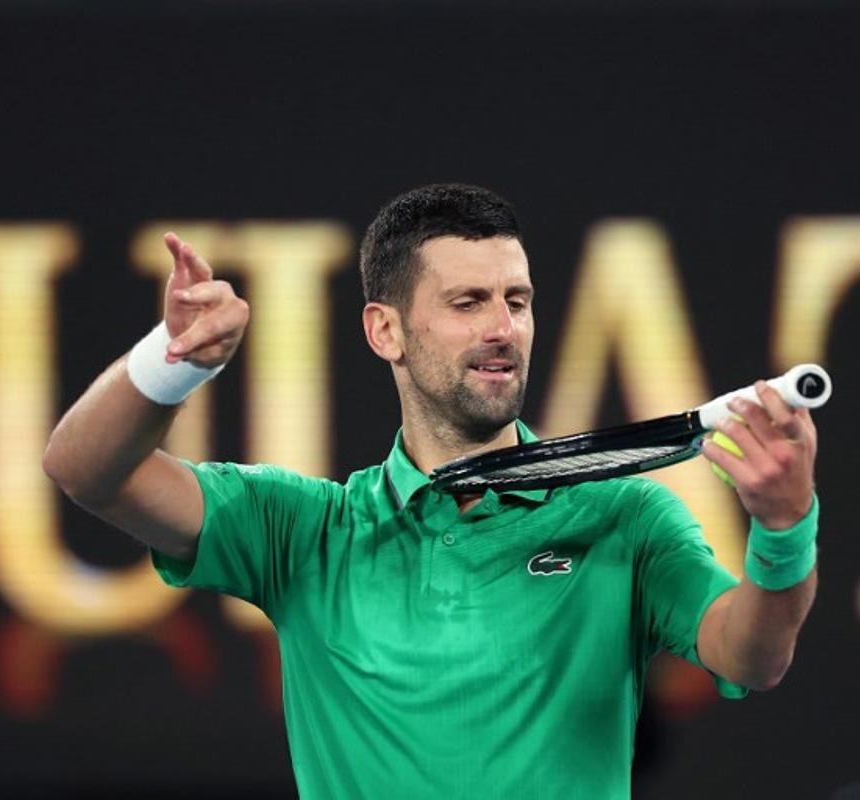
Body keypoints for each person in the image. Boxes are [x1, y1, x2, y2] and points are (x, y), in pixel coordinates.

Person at [42, 184, 819, 799]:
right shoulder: (304, 533)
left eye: (517, 301)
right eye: (467, 303)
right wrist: (177, 361)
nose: (504, 327)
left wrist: (784, 530)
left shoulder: (623, 514)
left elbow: (749, 657)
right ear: (386, 332)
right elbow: (84, 470)